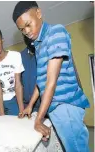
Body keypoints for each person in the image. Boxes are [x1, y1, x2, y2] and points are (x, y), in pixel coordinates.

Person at [13, 1, 90, 151]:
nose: (26, 31)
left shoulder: (55, 32)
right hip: (55, 107)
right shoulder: (38, 45)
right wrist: (29, 106)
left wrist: (39, 119)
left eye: (28, 24)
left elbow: (51, 81)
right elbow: (40, 81)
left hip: (64, 105)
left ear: (39, 13)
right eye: (22, 29)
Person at [0, 26, 25, 116]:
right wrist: (1, 111)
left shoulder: (15, 56)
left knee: (17, 124)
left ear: (2, 40)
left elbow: (18, 84)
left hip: (13, 99)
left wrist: (21, 110)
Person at [20, 35, 40, 114]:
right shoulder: (20, 57)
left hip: (45, 104)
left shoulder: (44, 53)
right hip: (26, 105)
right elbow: (18, 82)